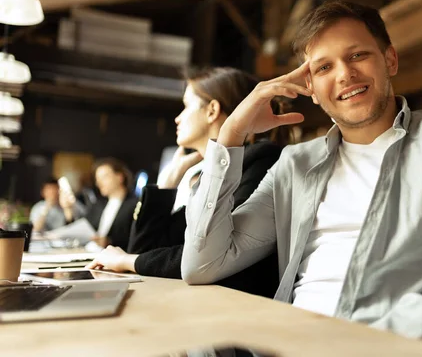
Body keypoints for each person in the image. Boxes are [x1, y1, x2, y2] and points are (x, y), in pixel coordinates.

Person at [180, 1, 422, 354]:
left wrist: (351, 342)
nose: (345, 74)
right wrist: (230, 137)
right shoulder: (296, 164)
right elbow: (202, 264)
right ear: (310, 88)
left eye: (358, 55)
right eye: (324, 67)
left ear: (389, 60)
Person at [86, 67, 286, 297]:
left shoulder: (260, 159)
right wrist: (166, 184)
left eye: (186, 105)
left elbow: (210, 255)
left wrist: (127, 260)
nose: (177, 117)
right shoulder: (198, 172)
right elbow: (145, 249)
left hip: (231, 302)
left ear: (212, 110)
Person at [63, 158, 137, 249]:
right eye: (97, 179)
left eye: (104, 177)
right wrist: (68, 209)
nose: (99, 183)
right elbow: (81, 229)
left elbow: (135, 238)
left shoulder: (135, 205)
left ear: (120, 177)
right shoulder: (98, 205)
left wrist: (110, 242)